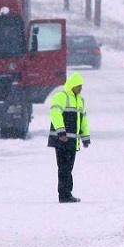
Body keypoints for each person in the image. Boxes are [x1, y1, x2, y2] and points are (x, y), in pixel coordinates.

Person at [48, 71, 91, 203]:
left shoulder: (80, 101)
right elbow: (55, 114)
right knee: (63, 167)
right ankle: (64, 195)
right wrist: (61, 132)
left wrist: (85, 138)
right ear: (72, 85)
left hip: (72, 141)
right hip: (61, 140)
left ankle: (67, 193)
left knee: (68, 167)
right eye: (79, 86)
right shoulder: (61, 97)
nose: (81, 89)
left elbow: (83, 120)